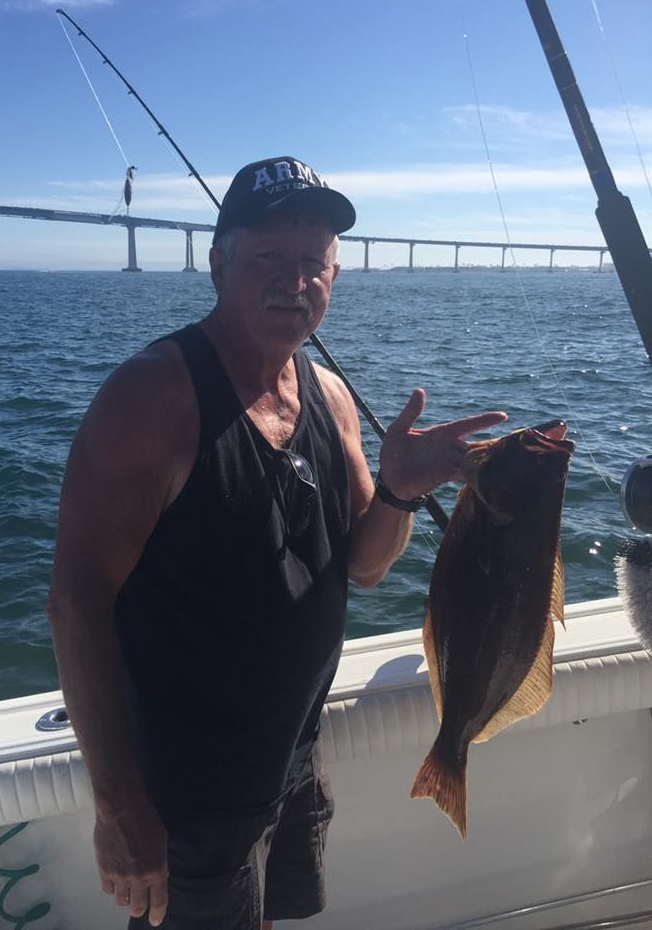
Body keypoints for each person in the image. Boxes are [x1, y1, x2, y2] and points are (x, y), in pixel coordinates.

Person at [47, 155, 507, 929]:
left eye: (312, 263)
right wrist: (119, 805)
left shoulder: (329, 398)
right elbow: (75, 604)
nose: (294, 282)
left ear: (337, 275)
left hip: (293, 761)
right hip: (189, 799)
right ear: (218, 264)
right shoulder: (151, 398)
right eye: (267, 259)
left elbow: (362, 566)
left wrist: (397, 491)